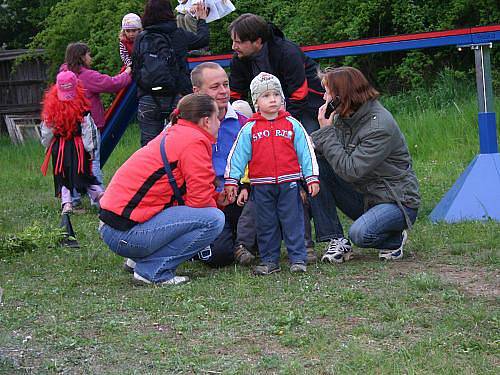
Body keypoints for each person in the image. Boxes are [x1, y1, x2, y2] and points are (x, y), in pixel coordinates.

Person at [99, 94, 228, 285]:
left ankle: (138, 260)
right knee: (214, 220)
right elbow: (199, 201)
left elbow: (177, 191)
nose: (219, 122)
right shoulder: (194, 141)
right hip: (123, 234)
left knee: (205, 213)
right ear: (206, 120)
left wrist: (216, 197)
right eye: (218, 117)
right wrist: (217, 205)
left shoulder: (177, 132)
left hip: (113, 227)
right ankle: (153, 270)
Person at [228, 13, 323, 263]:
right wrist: (242, 115)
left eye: (238, 41)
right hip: (260, 116)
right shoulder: (239, 59)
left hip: (303, 107)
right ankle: (254, 240)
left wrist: (282, 123)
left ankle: (314, 232)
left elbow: (300, 93)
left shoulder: (287, 52)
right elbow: (236, 92)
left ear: (257, 41)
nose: (233, 46)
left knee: (311, 156)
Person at [311, 67, 420, 263]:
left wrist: (325, 133)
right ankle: (336, 238)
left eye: (327, 92)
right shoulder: (344, 115)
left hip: (396, 201)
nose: (324, 97)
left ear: (341, 96)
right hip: (366, 195)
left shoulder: (379, 126)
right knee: (316, 167)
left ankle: (394, 239)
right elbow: (328, 154)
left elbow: (351, 170)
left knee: (360, 234)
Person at [225, 72, 320, 275]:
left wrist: (311, 177)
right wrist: (233, 181)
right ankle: (270, 261)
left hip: (289, 183)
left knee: (293, 221)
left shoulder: (293, 124)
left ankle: (298, 258)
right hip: (261, 185)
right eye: (266, 95)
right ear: (256, 101)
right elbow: (238, 156)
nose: (273, 99)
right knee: (266, 224)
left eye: (276, 94)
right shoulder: (249, 129)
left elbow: (306, 152)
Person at [190, 62, 250, 267]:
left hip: (240, 195)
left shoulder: (244, 124)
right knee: (219, 257)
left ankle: (238, 240)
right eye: (215, 87)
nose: (224, 91)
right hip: (204, 201)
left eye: (226, 84)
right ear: (197, 92)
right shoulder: (182, 126)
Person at [134, 0, 209, 147]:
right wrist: (202, 20)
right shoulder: (178, 34)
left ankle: (155, 170)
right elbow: (202, 40)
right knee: (183, 144)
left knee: (149, 149)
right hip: (178, 96)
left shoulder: (141, 38)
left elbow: (135, 66)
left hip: (148, 97)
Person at [62, 42, 132, 194]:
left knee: (73, 162)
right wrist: (127, 72)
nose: (90, 57)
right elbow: (112, 84)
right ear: (81, 57)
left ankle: (73, 198)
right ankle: (100, 197)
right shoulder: (87, 76)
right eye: (88, 54)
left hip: (69, 125)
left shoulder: (63, 74)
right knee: (92, 161)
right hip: (88, 125)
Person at [40, 71, 104, 214]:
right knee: (84, 172)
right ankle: (98, 194)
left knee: (63, 175)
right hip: (78, 146)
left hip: (60, 148)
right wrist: (91, 149)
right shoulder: (83, 107)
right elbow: (89, 129)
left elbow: (47, 129)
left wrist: (47, 144)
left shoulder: (52, 108)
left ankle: (67, 203)